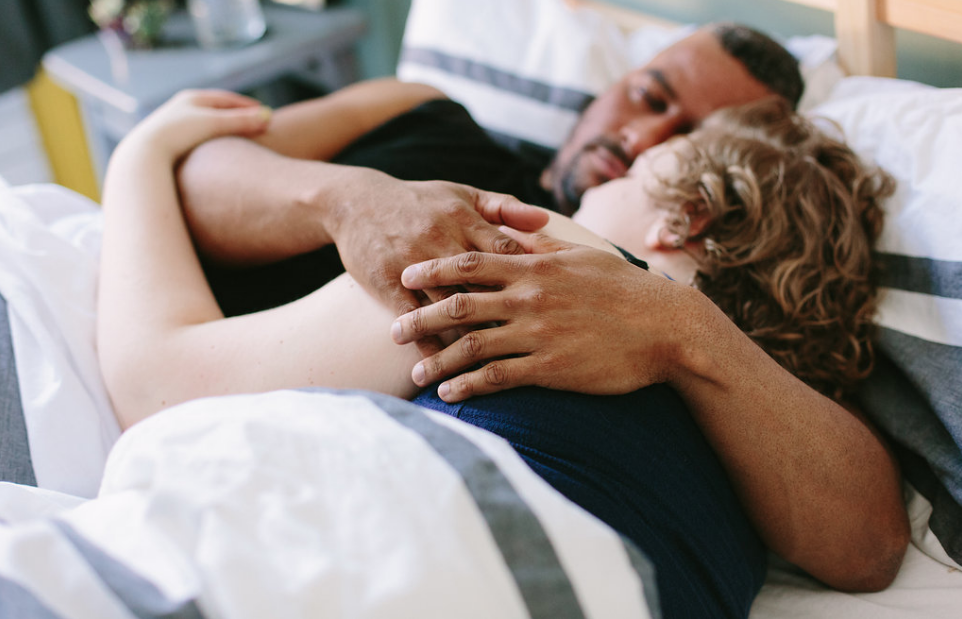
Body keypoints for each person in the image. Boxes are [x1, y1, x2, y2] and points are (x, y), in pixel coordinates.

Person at [99, 90, 903, 618]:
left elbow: (159, 389)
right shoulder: (766, 462)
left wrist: (136, 158)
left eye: (649, 163)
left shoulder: (539, 253)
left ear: (685, 216)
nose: (615, 168)